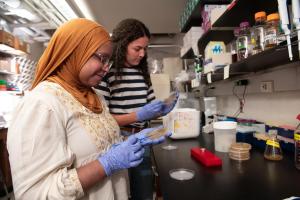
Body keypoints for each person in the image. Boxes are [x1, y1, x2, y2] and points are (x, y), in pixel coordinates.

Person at [6, 18, 170, 200]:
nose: (106, 69)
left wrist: (124, 142)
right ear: (74, 51)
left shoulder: (94, 96)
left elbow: (93, 144)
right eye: (102, 58)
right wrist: (106, 163)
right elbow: (34, 195)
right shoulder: (41, 105)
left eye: (108, 60)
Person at [95, 18, 177, 200]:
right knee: (120, 194)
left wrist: (162, 108)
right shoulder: (105, 73)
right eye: (137, 49)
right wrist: (137, 115)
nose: (142, 54)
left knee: (144, 194)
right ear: (122, 45)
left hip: (144, 141)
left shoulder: (142, 73)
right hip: (118, 143)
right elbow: (100, 120)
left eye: (145, 49)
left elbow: (150, 107)